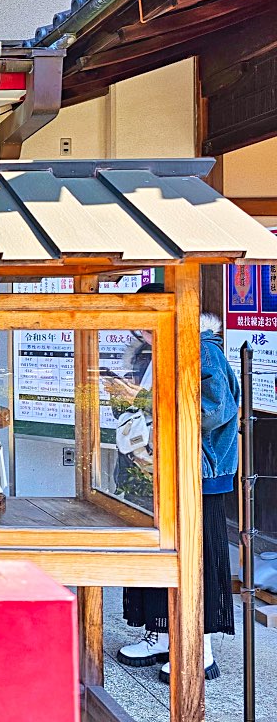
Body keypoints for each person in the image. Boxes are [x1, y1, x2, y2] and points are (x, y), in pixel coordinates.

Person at [113, 283, 238, 683]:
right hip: (163, 470)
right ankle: (161, 632)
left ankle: (200, 645)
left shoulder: (204, 349)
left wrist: (155, 411)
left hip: (199, 474)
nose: (143, 334)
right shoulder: (165, 346)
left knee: (197, 556)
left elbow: (216, 409)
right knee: (161, 550)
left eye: (147, 326)